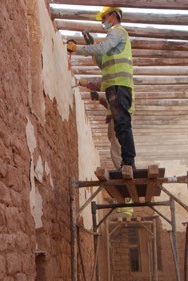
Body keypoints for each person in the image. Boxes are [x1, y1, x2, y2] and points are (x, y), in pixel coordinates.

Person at [67, 6, 136, 175]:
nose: (102, 21)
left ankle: (128, 163)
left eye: (104, 17)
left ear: (113, 15)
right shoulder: (112, 39)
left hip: (120, 85)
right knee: (120, 127)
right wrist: (90, 46)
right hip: (114, 85)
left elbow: (102, 48)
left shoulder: (117, 31)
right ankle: (127, 163)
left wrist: (78, 49)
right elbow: (101, 62)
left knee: (122, 125)